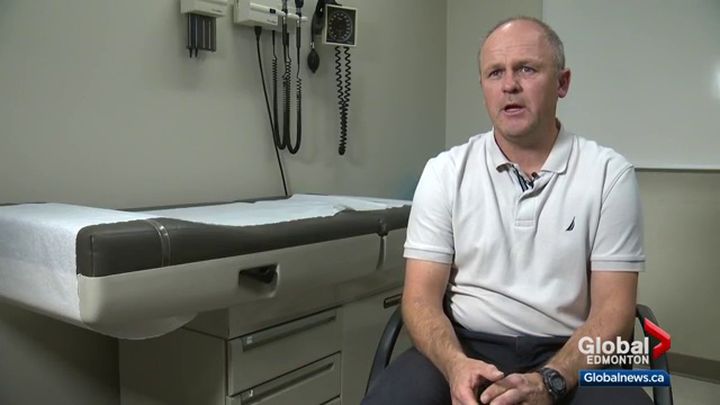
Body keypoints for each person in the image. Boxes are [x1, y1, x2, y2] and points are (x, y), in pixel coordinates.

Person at [362, 16, 654, 405]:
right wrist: (455, 366)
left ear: (562, 83)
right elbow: (419, 300)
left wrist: (552, 381)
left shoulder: (608, 174)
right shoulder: (445, 171)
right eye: (495, 72)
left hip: (571, 351)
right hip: (464, 345)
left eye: (527, 69)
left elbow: (614, 310)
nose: (509, 85)